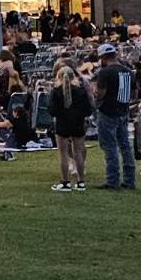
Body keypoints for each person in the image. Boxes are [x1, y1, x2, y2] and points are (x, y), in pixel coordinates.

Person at [92, 51, 136, 191]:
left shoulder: (105, 72)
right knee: (125, 147)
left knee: (110, 147)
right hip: (123, 111)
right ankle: (130, 180)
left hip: (108, 112)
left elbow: (100, 93)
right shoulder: (129, 72)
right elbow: (134, 94)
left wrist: (94, 94)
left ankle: (112, 181)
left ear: (103, 58)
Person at [46, 64, 91, 192]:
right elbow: (88, 110)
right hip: (78, 123)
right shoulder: (80, 91)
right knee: (78, 153)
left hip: (62, 124)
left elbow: (52, 111)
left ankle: (65, 182)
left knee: (63, 154)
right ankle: (81, 182)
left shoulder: (56, 91)